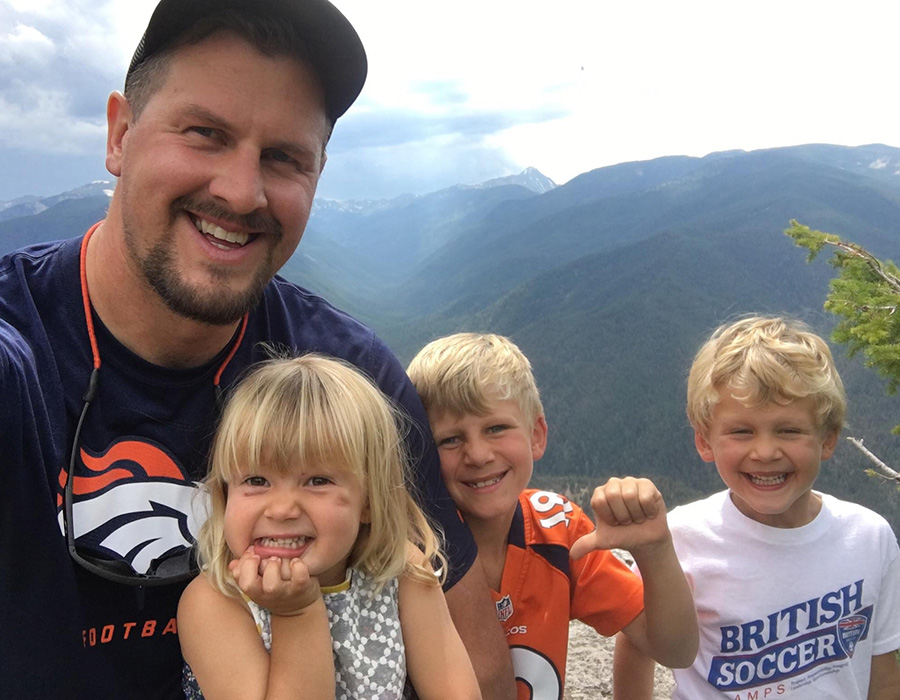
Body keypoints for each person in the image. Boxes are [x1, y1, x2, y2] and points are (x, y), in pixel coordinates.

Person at [0, 1, 512, 698]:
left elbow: (465, 651)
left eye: (283, 158)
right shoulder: (16, 357)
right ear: (119, 135)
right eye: (205, 133)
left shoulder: (348, 380)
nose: (241, 192)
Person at [612, 316, 900, 699]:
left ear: (827, 439)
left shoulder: (869, 537)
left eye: (789, 430)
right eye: (741, 431)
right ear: (705, 442)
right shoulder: (677, 539)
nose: (765, 452)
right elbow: (637, 643)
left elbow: (882, 661)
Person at [406, 332, 699, 699]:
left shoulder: (559, 530)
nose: (478, 454)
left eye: (496, 428)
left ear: (537, 435)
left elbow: (676, 650)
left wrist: (655, 550)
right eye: (450, 439)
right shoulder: (409, 554)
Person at [177, 354, 481, 699]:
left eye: (317, 480)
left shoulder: (400, 570)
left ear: (369, 500)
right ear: (225, 494)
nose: (281, 509)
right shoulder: (216, 601)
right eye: (257, 480)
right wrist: (296, 613)